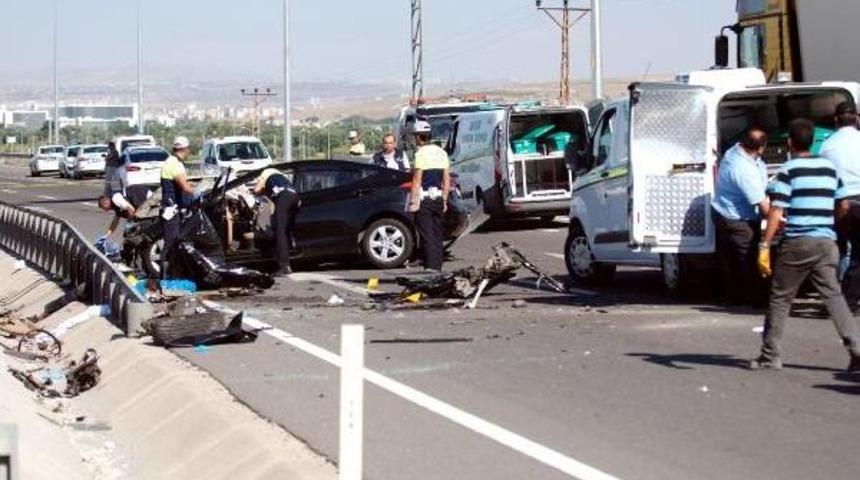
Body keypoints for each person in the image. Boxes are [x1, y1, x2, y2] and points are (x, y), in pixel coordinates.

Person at [752, 119, 860, 372]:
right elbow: (843, 205)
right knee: (834, 297)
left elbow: (777, 210)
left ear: (790, 142)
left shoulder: (789, 170)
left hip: (798, 242)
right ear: (812, 141)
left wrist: (765, 243)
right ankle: (856, 350)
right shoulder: (830, 168)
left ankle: (770, 355)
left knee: (781, 298)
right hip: (826, 242)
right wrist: (828, 223)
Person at [711, 126, 770, 304]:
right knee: (748, 257)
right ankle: (753, 297)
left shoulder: (735, 151)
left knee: (730, 258)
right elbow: (762, 205)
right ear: (760, 148)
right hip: (736, 217)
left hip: (724, 211)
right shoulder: (743, 169)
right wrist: (780, 222)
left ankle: (732, 294)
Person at [820, 101, 860, 309]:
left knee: (841, 250)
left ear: (836, 120)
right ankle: (849, 299)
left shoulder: (827, 145)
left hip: (838, 204)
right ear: (856, 118)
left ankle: (836, 299)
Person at [409, 120, 450, 272]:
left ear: (418, 137)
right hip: (438, 197)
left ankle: (430, 267)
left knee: (426, 235)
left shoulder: (420, 153)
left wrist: (413, 201)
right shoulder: (441, 152)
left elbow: (417, 179)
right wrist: (444, 199)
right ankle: (437, 266)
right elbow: (446, 178)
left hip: (425, 198)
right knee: (437, 233)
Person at [159, 136, 199, 279]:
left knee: (174, 242)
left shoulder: (170, 161)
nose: (188, 152)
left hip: (170, 207)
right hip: (171, 209)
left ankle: (172, 274)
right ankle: (165, 277)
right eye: (188, 149)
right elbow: (183, 186)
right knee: (172, 242)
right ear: (184, 149)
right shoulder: (176, 164)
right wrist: (198, 193)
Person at [253, 168, 299, 276]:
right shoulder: (282, 176)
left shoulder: (265, 173)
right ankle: (291, 246)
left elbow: (256, 190)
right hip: (296, 198)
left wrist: (256, 192)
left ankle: (284, 266)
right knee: (286, 229)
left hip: (284, 198)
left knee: (279, 231)